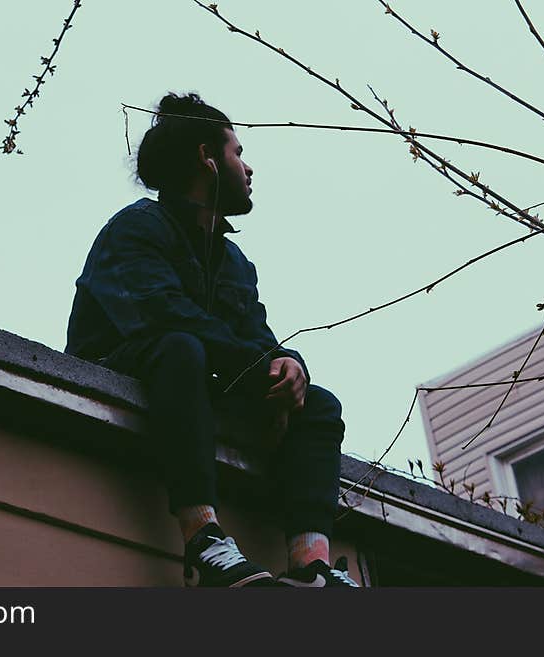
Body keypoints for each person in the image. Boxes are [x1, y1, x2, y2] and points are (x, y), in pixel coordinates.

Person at [65, 92, 357, 587]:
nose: (248, 167)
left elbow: (255, 337)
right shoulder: (137, 228)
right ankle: (203, 540)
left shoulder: (233, 261)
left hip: (195, 382)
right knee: (182, 345)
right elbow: (160, 316)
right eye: (237, 152)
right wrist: (259, 359)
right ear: (207, 157)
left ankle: (312, 567)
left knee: (319, 404)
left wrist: (287, 364)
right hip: (124, 373)